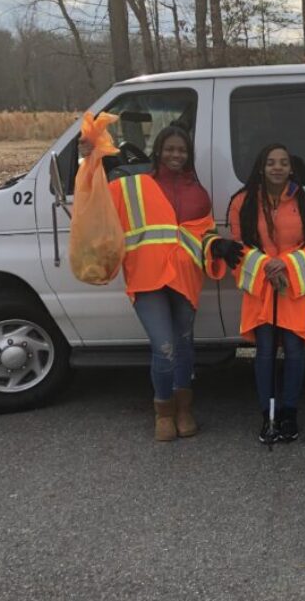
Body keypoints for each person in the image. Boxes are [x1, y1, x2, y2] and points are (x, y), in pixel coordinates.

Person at [99, 125, 244, 441]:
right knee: (163, 348)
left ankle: (184, 408)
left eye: (181, 150)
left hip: (184, 278)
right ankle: (163, 412)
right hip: (146, 278)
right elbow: (94, 203)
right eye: (170, 149)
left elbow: (200, 235)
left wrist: (217, 245)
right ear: (158, 151)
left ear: (188, 155)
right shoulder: (132, 186)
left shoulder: (197, 193)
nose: (175, 155)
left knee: (184, 346)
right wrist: (90, 158)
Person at [227, 144, 305, 443]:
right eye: (271, 162)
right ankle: (268, 415)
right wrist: (268, 265)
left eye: (283, 162)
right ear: (261, 167)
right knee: (265, 352)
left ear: (291, 168)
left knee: (295, 352)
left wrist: (286, 263)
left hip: (293, 286)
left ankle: (289, 414)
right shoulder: (242, 201)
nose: (277, 167)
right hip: (261, 286)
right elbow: (237, 245)